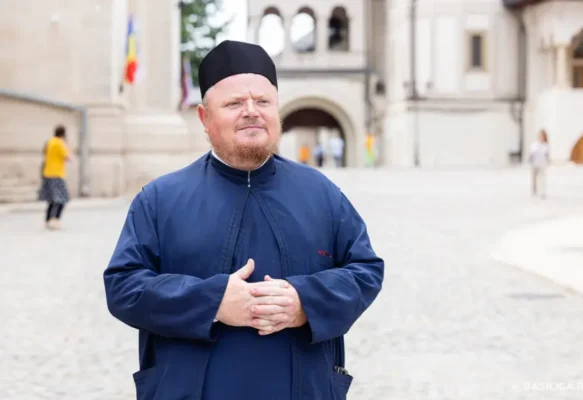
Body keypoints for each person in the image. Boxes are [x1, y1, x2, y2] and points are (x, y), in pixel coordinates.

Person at [103, 40, 384, 400]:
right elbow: (123, 286)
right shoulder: (159, 200)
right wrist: (212, 302)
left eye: (263, 101)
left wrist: (304, 301)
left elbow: (365, 271)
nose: (251, 111)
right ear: (205, 118)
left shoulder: (322, 193)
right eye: (234, 103)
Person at [39, 125, 70, 229]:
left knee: (51, 199)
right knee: (61, 198)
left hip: (47, 173)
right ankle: (54, 219)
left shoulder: (49, 142)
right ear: (63, 133)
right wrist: (66, 145)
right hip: (57, 174)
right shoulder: (60, 143)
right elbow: (67, 157)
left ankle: (48, 220)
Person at [529, 129, 550, 199]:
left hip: (542, 164)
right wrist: (530, 160)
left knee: (541, 178)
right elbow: (531, 154)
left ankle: (542, 192)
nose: (541, 137)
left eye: (542, 136)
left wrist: (547, 162)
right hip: (534, 164)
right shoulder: (534, 144)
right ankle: (534, 192)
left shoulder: (546, 145)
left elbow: (547, 155)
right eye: (540, 136)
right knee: (534, 179)